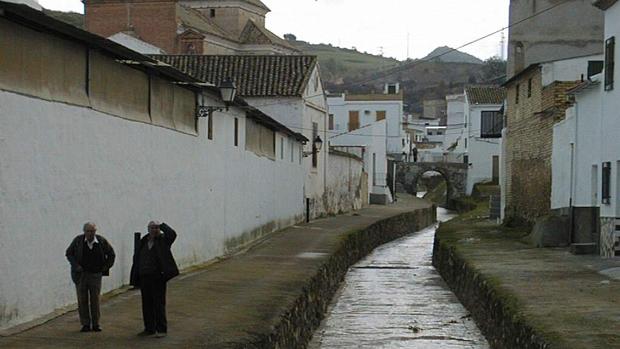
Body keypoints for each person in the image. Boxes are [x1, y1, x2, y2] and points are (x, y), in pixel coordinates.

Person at [131, 221, 179, 338]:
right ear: (148, 229)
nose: (154, 230)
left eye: (157, 228)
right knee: (146, 304)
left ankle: (161, 329)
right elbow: (137, 257)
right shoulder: (143, 241)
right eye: (152, 228)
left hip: (158, 277)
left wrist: (162, 225)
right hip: (144, 276)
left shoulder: (163, 240)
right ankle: (149, 328)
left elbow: (172, 234)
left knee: (159, 303)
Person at [66, 222, 115, 332]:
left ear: (95, 232)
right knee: (82, 300)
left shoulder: (101, 241)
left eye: (92, 231)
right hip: (81, 275)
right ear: (84, 232)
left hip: (95, 275)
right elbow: (69, 253)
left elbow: (111, 254)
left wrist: (105, 267)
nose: (90, 234)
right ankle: (85, 324)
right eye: (88, 231)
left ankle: (96, 323)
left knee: (95, 300)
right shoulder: (78, 241)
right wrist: (76, 266)